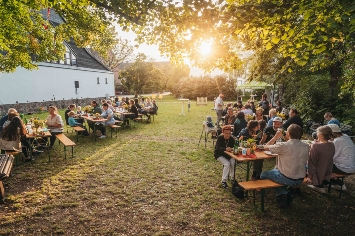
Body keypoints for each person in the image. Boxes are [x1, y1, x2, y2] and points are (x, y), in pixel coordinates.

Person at [261, 124, 309, 209]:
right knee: (276, 171)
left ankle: (283, 193)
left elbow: (265, 147)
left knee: (263, 175)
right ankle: (286, 192)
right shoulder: (306, 146)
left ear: (288, 133)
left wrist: (275, 137)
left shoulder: (284, 145)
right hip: (300, 178)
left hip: (287, 178)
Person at [307, 126, 335, 193]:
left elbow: (311, 163)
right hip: (327, 170)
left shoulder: (315, 146)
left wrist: (310, 176)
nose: (316, 134)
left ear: (321, 135)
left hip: (318, 172)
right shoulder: (332, 144)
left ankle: (318, 185)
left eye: (317, 133)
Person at [328, 124, 355, 190]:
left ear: (332, 133)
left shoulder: (337, 141)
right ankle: (336, 183)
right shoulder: (346, 137)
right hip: (351, 166)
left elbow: (330, 157)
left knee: (321, 162)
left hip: (344, 168)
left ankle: (319, 184)